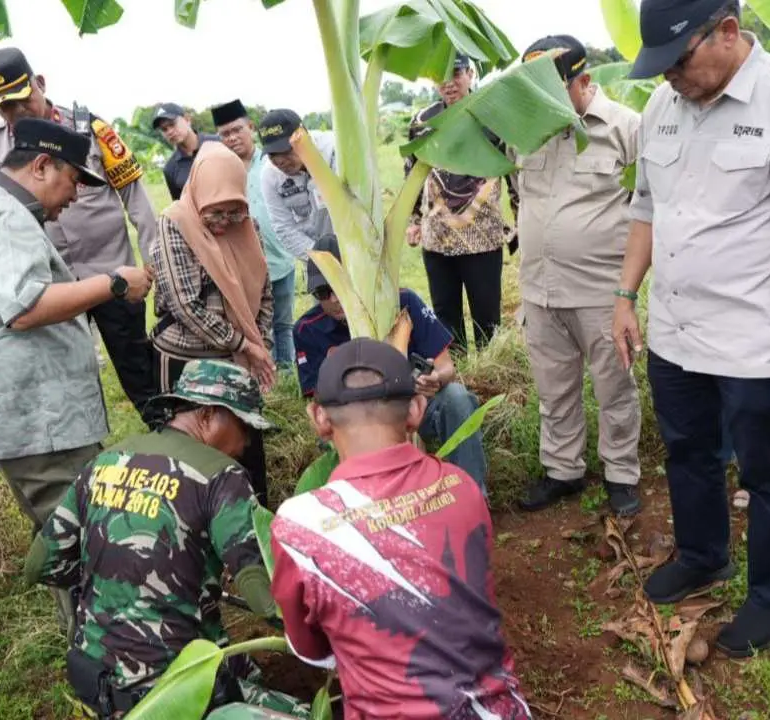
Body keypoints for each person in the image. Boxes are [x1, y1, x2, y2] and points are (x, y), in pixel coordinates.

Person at [612, 0, 770, 657]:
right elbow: (646, 208)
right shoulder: (665, 105)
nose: (669, 77)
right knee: (687, 452)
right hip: (676, 330)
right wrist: (625, 295)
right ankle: (704, 555)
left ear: (729, 32)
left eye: (678, 61)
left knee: (765, 474)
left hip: (753, 339)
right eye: (660, 67)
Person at [0, 117, 152, 629]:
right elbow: (26, 305)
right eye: (73, 181)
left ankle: (88, 645)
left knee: (64, 539)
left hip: (28, 416)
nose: (75, 197)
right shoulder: (3, 216)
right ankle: (108, 653)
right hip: (43, 424)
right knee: (89, 545)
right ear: (41, 165)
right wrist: (114, 283)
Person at [26, 359, 307, 719]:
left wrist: (117, 582)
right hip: (173, 691)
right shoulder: (221, 477)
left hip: (95, 684)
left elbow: (40, 564)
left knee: (244, 669)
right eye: (244, 427)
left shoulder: (106, 461)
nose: (247, 443)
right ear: (208, 415)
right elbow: (266, 596)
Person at [271, 338, 529, 719]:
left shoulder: (299, 527)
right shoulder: (462, 488)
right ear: (416, 409)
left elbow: (312, 651)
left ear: (319, 418)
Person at [0, 48, 164, 430]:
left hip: (113, 271)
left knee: (136, 364)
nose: (16, 113)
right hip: (51, 287)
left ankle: (164, 425)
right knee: (66, 371)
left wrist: (156, 265)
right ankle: (83, 439)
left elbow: (138, 203)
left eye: (22, 99)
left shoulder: (92, 130)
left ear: (40, 84)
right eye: (4, 108)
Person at [508, 35, 643, 518]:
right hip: (540, 290)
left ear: (583, 81)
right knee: (554, 389)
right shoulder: (529, 131)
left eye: (553, 90)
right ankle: (563, 470)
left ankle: (621, 473)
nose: (542, 102)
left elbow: (650, 205)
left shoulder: (626, 128)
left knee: (614, 388)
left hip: (601, 292)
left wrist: (630, 291)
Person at [293, 235, 488, 496]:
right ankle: (363, 504)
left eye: (340, 286)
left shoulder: (403, 302)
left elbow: (447, 368)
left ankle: (472, 495)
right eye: (322, 293)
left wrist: (435, 379)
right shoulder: (307, 330)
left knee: (456, 398)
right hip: (356, 419)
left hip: (415, 403)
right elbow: (318, 399)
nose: (334, 298)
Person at [150, 142, 276, 507]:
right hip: (188, 359)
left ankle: (252, 518)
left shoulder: (248, 227)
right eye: (215, 212)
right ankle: (193, 521)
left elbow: (264, 291)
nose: (225, 222)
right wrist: (243, 345)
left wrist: (261, 345)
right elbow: (184, 305)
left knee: (245, 444)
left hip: (240, 359)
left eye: (234, 211)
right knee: (194, 454)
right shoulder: (175, 222)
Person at [405, 54, 513, 354]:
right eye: (440, 77)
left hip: (482, 236)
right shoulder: (423, 121)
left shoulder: (492, 116)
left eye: (455, 74)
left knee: (487, 317)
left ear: (470, 73)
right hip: (437, 238)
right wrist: (413, 220)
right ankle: (455, 370)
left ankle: (490, 368)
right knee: (445, 316)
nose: (448, 83)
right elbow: (411, 172)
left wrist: (520, 221)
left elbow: (513, 171)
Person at [212, 99, 297, 368]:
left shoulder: (273, 161)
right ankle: (261, 370)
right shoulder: (221, 170)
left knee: (283, 321)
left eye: (237, 130)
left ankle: (286, 369)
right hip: (243, 265)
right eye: (225, 134)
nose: (232, 138)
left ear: (250, 127)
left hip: (280, 258)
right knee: (253, 324)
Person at [258, 109, 337, 261]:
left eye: (285, 150)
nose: (280, 161)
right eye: (272, 154)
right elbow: (284, 227)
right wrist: (322, 260)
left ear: (304, 137)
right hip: (313, 254)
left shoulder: (333, 151)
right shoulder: (270, 176)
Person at [154, 102, 220, 202]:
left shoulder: (218, 143)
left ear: (187, 119)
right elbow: (180, 205)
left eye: (172, 124)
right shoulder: (170, 168)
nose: (170, 131)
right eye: (164, 129)